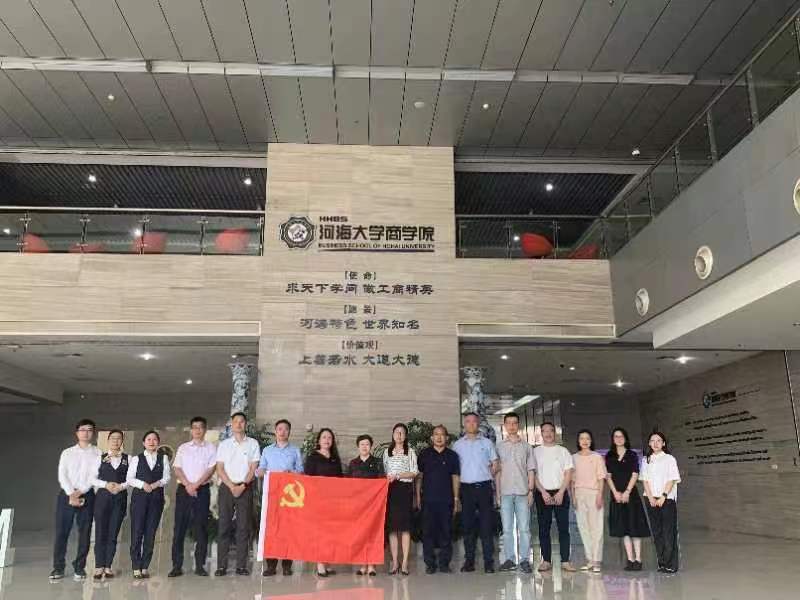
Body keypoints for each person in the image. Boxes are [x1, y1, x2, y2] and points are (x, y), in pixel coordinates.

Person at [50, 418, 102, 581]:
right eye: (82, 430)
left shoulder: (98, 453)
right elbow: (62, 474)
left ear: (93, 433)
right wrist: (71, 493)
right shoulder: (67, 452)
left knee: (85, 532)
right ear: (77, 433)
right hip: (66, 494)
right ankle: (58, 567)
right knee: (61, 532)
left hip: (87, 494)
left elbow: (95, 475)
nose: (86, 433)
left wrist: (80, 491)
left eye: (89, 430)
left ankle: (79, 567)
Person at [169, 416, 217, 578]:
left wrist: (195, 485)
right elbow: (177, 468)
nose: (197, 430)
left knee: (201, 527)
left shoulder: (211, 448)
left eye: (200, 427)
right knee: (179, 527)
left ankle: (200, 565)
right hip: (184, 490)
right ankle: (177, 565)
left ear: (205, 430)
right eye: (194, 427)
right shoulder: (183, 448)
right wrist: (188, 485)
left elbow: (211, 469)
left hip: (202, 490)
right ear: (191, 430)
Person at [452, 412, 499, 574]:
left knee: (486, 526)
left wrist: (489, 474)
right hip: (466, 489)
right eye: (468, 421)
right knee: (468, 526)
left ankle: (488, 563)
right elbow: (455, 471)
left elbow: (495, 464)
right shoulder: (457, 445)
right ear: (464, 424)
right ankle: (469, 562)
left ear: (478, 424)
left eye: (474, 421)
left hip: (484, 487)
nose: (471, 424)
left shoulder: (487, 443)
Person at [215, 412, 260, 577]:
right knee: (224, 527)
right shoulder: (224, 444)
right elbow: (219, 468)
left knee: (243, 527)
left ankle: (241, 566)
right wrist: (231, 485)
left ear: (245, 424)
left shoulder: (253, 443)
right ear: (231, 425)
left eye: (242, 421)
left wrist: (243, 485)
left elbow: (253, 467)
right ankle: (221, 566)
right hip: (227, 488)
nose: (239, 424)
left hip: (245, 488)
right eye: (236, 422)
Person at [257, 418, 304, 577]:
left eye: (285, 429)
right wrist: (260, 472)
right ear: (275, 432)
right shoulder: (267, 450)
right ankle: (271, 565)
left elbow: (301, 471)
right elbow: (261, 468)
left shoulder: (295, 450)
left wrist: (291, 473)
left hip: (289, 496)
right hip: (271, 494)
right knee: (271, 528)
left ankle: (287, 565)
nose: (282, 432)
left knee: (288, 529)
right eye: (280, 429)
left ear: (289, 432)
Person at [495, 412, 535, 574]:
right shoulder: (499, 447)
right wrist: (497, 493)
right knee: (507, 529)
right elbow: (497, 472)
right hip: (505, 493)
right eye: (509, 423)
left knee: (524, 529)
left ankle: (525, 560)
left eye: (514, 423)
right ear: (505, 425)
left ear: (519, 425)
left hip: (522, 492)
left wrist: (531, 491)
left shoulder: (527, 447)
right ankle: (510, 559)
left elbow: (531, 470)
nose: (512, 426)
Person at [127, 430, 171, 579]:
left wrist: (156, 484)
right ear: (144, 443)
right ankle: (136, 566)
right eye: (149, 439)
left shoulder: (163, 458)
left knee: (151, 533)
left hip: (156, 499)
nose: (152, 442)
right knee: (137, 532)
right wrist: (142, 484)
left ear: (158, 442)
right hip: (139, 499)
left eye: (154, 439)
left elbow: (167, 477)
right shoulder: (136, 459)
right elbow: (129, 478)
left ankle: (145, 566)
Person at [532, 422, 576, 572]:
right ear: (541, 434)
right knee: (544, 528)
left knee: (563, 528)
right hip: (542, 493)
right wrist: (543, 492)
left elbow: (568, 473)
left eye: (551, 431)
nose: (548, 434)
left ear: (555, 433)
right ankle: (546, 560)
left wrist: (561, 492)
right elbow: (533, 474)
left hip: (560, 492)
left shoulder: (563, 451)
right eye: (545, 431)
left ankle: (565, 561)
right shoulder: (535, 452)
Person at [604, 427, 650, 571]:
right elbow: (608, 476)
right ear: (613, 439)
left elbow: (635, 473)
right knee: (623, 528)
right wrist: (615, 493)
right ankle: (630, 560)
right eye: (616, 436)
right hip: (616, 496)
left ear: (625, 438)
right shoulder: (609, 456)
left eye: (621, 436)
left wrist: (627, 492)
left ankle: (638, 560)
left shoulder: (632, 455)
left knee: (634, 527)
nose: (618, 439)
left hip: (631, 495)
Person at [416, 425, 460, 574]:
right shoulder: (424, 454)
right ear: (431, 438)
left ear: (447, 438)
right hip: (428, 500)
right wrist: (417, 497)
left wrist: (456, 499)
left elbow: (455, 477)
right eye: (436, 434)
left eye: (442, 435)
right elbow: (419, 477)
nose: (439, 437)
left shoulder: (452, 456)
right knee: (427, 533)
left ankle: (444, 563)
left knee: (446, 532)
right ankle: (430, 564)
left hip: (446, 500)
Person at [304, 428, 343, 577]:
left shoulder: (335, 458)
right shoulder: (313, 457)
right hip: (318, 501)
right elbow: (307, 479)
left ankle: (327, 563)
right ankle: (320, 564)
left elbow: (340, 479)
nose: (327, 440)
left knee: (331, 533)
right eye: (324, 437)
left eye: (329, 438)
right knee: (320, 533)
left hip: (333, 501)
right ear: (319, 440)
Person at [641, 431, 681, 573]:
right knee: (657, 532)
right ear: (649, 443)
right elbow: (644, 480)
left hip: (667, 499)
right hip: (651, 499)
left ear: (663, 443)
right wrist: (651, 497)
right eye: (653, 440)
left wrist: (663, 496)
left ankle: (671, 564)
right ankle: (662, 563)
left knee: (668, 532)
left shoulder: (669, 459)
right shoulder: (646, 460)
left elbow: (672, 479)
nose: (655, 443)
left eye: (659, 440)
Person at [382, 423, 419, 576]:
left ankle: (404, 563)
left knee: (405, 527)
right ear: (393, 435)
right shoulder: (387, 452)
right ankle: (394, 562)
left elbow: (414, 472)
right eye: (397, 432)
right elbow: (385, 471)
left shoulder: (410, 451)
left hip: (404, 490)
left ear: (405, 436)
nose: (399, 435)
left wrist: (398, 475)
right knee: (392, 528)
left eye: (402, 433)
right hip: (390, 491)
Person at [92, 429, 128, 580]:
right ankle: (99, 566)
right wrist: (106, 484)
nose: (115, 441)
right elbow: (92, 478)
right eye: (113, 438)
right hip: (102, 498)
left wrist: (121, 486)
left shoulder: (128, 459)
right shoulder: (99, 458)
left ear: (122, 441)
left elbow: (132, 478)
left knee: (113, 533)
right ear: (108, 441)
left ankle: (108, 566)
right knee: (100, 532)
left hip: (120, 498)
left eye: (119, 438)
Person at [572, 429, 607, 573]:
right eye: (582, 438)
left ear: (591, 441)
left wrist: (600, 495)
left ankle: (597, 560)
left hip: (594, 493)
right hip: (579, 494)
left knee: (596, 528)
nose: (585, 441)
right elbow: (572, 480)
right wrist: (573, 497)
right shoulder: (573, 458)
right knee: (583, 528)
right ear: (578, 441)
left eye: (587, 438)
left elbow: (601, 478)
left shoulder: (597, 457)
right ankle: (590, 560)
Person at [348, 434, 384, 576]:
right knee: (360, 534)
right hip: (358, 505)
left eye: (367, 444)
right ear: (358, 446)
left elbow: (381, 481)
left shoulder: (377, 462)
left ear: (371, 446)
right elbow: (348, 484)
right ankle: (362, 564)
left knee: (372, 533)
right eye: (362, 444)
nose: (364, 447)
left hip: (374, 505)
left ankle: (372, 565)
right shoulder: (353, 463)